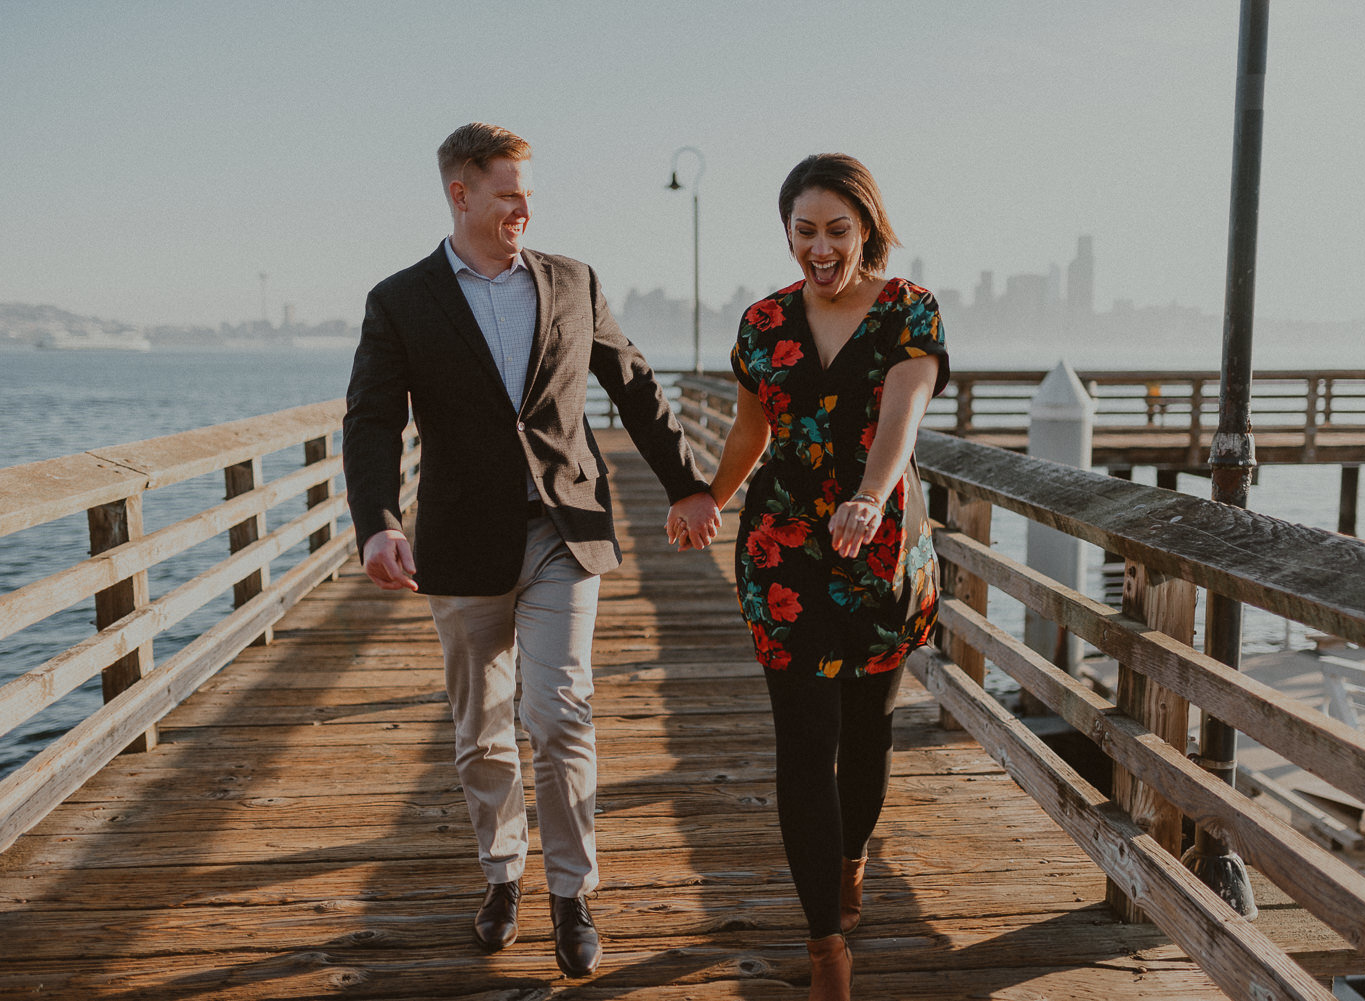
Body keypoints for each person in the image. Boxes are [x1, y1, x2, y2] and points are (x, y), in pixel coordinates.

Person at [342, 122, 720, 978]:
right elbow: (370, 420)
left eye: (530, 193)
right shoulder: (400, 300)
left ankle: (571, 894)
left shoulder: (572, 281)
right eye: (508, 191)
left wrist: (688, 483)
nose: (524, 206)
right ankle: (503, 872)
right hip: (460, 539)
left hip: (566, 527)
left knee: (559, 712)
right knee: (483, 729)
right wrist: (377, 520)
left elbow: (635, 383)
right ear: (460, 193)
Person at [700, 153, 947, 1001]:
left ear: (867, 228)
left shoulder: (909, 311)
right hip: (784, 552)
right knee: (804, 746)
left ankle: (850, 856)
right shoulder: (764, 322)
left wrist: (872, 498)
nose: (819, 247)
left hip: (878, 550)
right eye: (804, 230)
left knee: (867, 733)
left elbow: (901, 414)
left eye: (837, 230)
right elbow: (749, 431)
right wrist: (710, 498)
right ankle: (825, 946)